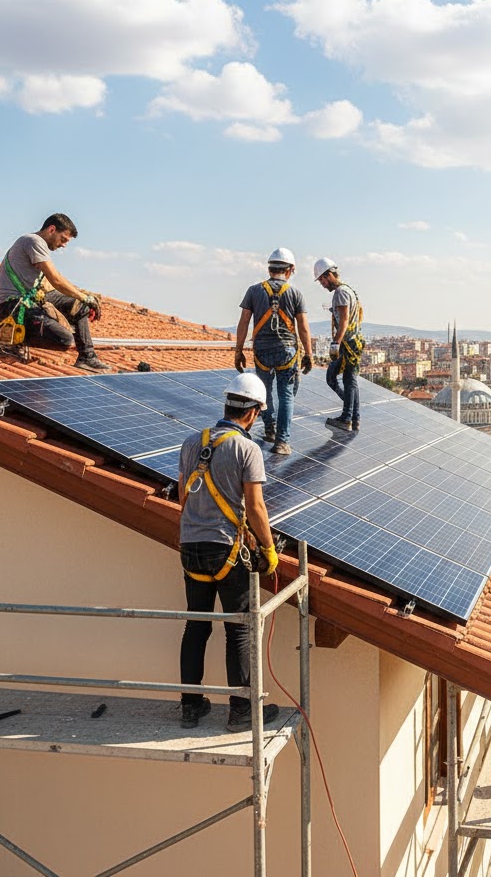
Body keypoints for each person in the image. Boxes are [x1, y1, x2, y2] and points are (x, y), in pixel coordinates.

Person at [177, 373, 281, 732]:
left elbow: (183, 497)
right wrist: (268, 550)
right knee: (238, 629)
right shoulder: (247, 450)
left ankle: (190, 706)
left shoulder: (192, 442)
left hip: (190, 548)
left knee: (196, 625)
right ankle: (241, 711)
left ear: (227, 405)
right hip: (226, 551)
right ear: (252, 413)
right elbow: (255, 507)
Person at [0, 213, 111, 372]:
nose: (63, 246)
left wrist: (83, 298)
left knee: (79, 306)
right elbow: (55, 279)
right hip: (11, 305)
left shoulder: (37, 245)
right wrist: (85, 297)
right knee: (64, 339)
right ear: (52, 229)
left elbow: (51, 284)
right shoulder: (34, 241)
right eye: (63, 239)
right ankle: (11, 336)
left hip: (27, 299)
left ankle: (87, 358)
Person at [234, 248, 313, 456]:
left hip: (262, 351)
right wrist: (309, 354)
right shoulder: (295, 294)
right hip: (287, 351)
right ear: (290, 269)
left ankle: (269, 428)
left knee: (264, 393)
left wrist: (238, 351)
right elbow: (303, 326)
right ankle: (282, 442)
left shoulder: (253, 291)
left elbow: (243, 322)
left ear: (270, 268)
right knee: (286, 395)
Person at [314, 257, 364, 433]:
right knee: (349, 381)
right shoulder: (348, 291)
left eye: (322, 279)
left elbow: (343, 321)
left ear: (329, 275)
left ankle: (347, 417)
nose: (322, 284)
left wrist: (335, 343)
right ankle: (353, 416)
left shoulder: (341, 293)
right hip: (353, 343)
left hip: (347, 344)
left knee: (340, 379)